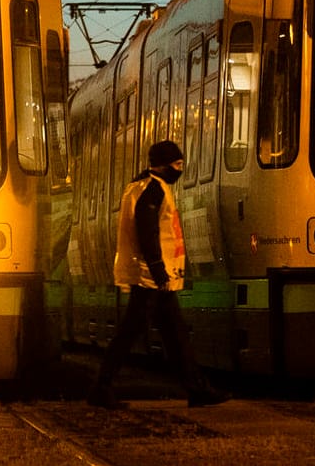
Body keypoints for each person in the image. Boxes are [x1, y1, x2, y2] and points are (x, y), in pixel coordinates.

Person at [88, 140, 228, 409]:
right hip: (150, 277)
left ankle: (196, 389)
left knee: (175, 335)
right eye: (177, 165)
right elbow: (148, 232)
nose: (180, 170)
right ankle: (101, 387)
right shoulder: (153, 190)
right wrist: (158, 269)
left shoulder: (144, 186)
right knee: (130, 333)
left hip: (158, 277)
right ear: (163, 165)